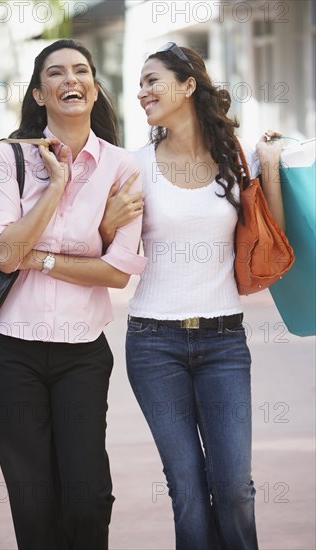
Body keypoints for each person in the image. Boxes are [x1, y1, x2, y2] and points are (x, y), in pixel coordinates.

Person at [100, 43, 284, 550]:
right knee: (186, 488)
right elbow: (112, 257)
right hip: (153, 344)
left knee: (234, 490)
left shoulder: (233, 156)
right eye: (139, 83)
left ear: (188, 85)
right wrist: (106, 224)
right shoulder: (134, 166)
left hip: (224, 343)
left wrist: (267, 166)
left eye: (152, 80)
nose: (142, 92)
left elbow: (269, 244)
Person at [0, 39, 146, 550]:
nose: (70, 79)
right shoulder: (9, 158)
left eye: (80, 71)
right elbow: (4, 255)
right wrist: (56, 188)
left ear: (95, 87)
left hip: (82, 355)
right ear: (38, 94)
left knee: (87, 496)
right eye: (56, 73)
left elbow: (117, 273)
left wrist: (42, 257)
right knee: (33, 503)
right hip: (11, 350)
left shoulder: (124, 166)